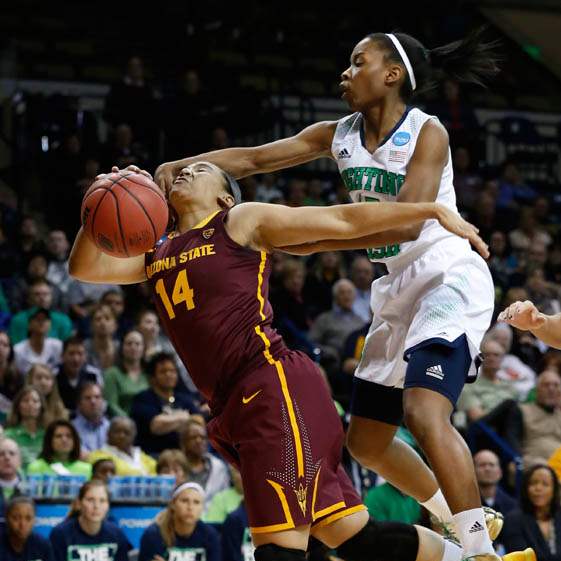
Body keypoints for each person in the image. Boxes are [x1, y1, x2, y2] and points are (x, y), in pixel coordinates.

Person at [154, 27, 503, 559]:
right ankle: (454, 517)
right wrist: (182, 165)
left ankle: (480, 551)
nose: (345, 71)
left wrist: (308, 241)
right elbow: (251, 160)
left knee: (424, 413)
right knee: (365, 443)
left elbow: (402, 223)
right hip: (392, 287)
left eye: (358, 61)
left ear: (391, 75)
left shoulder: (427, 132)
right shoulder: (336, 133)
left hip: (445, 272)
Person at [69, 156, 507, 561]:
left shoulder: (238, 221)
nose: (185, 171)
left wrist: (426, 210)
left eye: (201, 169)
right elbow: (84, 268)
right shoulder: (157, 254)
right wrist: (104, 198)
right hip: (234, 405)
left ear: (224, 196)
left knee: (279, 550)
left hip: (271, 386)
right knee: (356, 538)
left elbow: (341, 219)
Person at [130, 352, 199, 456]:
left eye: (172, 371)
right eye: (163, 371)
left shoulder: (184, 398)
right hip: (153, 454)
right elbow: (156, 426)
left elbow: (199, 421)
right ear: (152, 377)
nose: (169, 374)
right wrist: (183, 418)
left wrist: (169, 421)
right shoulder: (143, 398)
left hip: (184, 454)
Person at [138, 482, 221, 561]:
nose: (190, 507)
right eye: (184, 501)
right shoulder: (154, 535)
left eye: (196, 502)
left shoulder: (210, 536)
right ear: (173, 504)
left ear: (202, 508)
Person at [50, 479, 131, 561]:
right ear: (79, 503)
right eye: (90, 500)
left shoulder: (117, 534)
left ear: (108, 505)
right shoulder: (60, 534)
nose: (96, 506)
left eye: (102, 501)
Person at [501, 465, 561, 561]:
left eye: (545, 484)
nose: (538, 488)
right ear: (525, 488)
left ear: (554, 490)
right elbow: (520, 557)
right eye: (533, 483)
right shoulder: (513, 520)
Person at [181, 418, 230, 504]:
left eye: (203, 438)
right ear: (184, 442)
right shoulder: (176, 466)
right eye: (193, 437)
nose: (199, 441)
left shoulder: (219, 467)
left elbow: (224, 498)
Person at [88, 416, 156, 476]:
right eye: (117, 431)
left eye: (126, 432)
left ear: (134, 435)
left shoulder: (142, 456)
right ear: (108, 433)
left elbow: (157, 472)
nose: (122, 436)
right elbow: (120, 472)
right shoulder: (98, 456)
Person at [103, 329, 149, 417]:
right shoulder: (112, 374)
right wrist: (130, 422)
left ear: (143, 348)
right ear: (122, 347)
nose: (133, 347)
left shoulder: (149, 373)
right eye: (129, 344)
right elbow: (111, 405)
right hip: (123, 424)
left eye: (137, 344)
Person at [27, 419, 92, 477]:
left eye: (69, 436)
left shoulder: (87, 469)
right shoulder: (35, 467)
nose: (64, 440)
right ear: (49, 441)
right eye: (58, 436)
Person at [54, 336, 102, 413]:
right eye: (71, 354)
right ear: (62, 356)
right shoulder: (54, 375)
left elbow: (101, 400)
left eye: (80, 354)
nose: (76, 359)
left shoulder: (94, 374)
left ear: (85, 356)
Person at [4, 386, 47, 469]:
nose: (30, 404)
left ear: (41, 406)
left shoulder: (49, 435)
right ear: (18, 406)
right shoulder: (8, 435)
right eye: (25, 400)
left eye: (35, 401)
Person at [0, 496, 54, 561]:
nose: (22, 524)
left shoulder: (43, 545)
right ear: (6, 518)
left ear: (34, 520)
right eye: (16, 518)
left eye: (28, 518)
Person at [13, 308, 62, 376]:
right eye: (37, 319)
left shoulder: (58, 346)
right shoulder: (18, 349)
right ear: (29, 325)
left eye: (45, 319)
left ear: (50, 325)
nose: (41, 322)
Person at [474, 450, 517, 517]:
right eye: (482, 465)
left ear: (500, 472)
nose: (487, 469)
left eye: (492, 465)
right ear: (473, 471)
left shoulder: (512, 506)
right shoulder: (466, 504)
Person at [71, 381, 110, 455]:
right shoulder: (72, 429)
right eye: (87, 398)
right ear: (79, 403)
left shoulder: (110, 427)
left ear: (103, 401)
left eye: (97, 397)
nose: (93, 401)